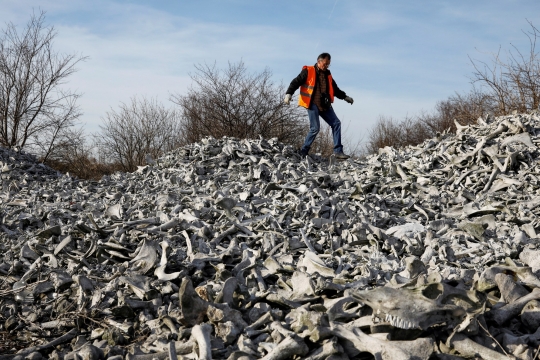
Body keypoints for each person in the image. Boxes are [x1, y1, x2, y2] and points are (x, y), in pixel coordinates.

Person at [284, 53, 354, 159]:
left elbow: (335, 89)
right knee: (315, 128)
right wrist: (289, 93)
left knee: (336, 123)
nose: (326, 66)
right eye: (325, 64)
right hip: (312, 103)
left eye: (328, 65)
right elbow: (296, 82)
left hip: (324, 104)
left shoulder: (328, 75)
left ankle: (338, 151)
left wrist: (345, 97)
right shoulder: (308, 71)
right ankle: (304, 151)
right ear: (319, 61)